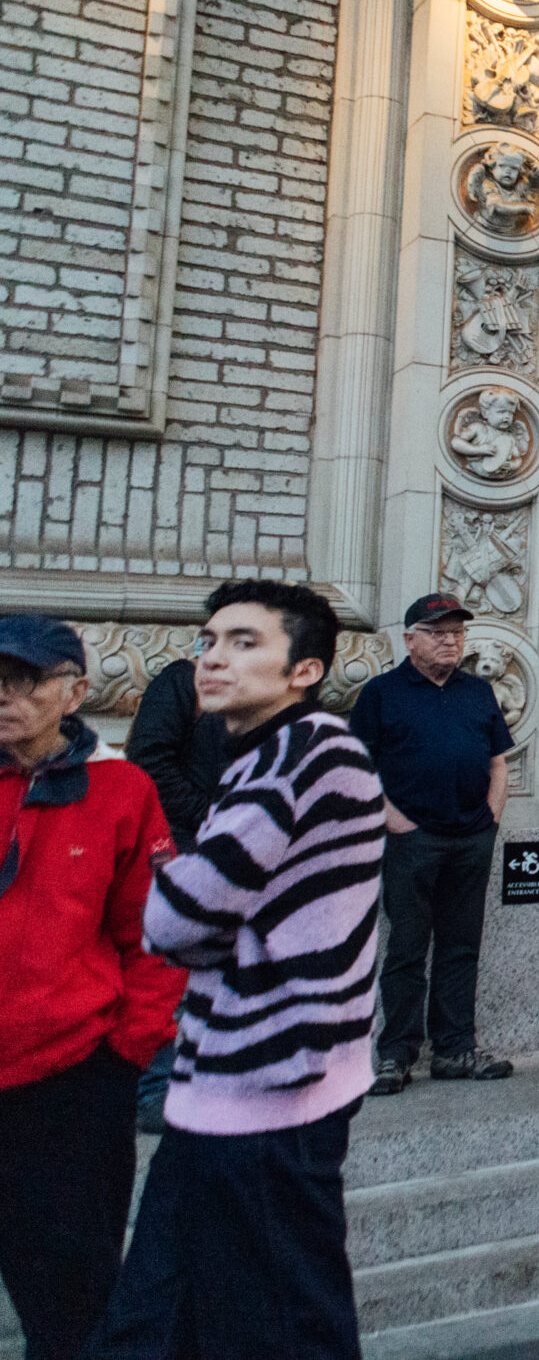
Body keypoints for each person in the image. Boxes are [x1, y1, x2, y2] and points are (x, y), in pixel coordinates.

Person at [91, 580, 387, 1359]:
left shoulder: (309, 750)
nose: (214, 657)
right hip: (220, 1079)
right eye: (210, 640)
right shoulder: (257, 755)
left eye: (245, 641)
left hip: (275, 1085)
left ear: (305, 669)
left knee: (289, 1319)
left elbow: (178, 918)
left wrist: (180, 894)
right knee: (164, 1314)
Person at [0, 618, 182, 1360]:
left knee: (72, 1303)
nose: (5, 696)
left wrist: (123, 1056)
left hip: (71, 1081)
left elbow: (156, 936)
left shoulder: (122, 789)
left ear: (75, 692)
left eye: (25, 680)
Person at [354, 593, 516, 1095]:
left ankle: (454, 1049)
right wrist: (393, 819)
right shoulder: (381, 694)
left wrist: (491, 816)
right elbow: (355, 769)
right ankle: (395, 1055)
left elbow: (498, 762)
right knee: (405, 949)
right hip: (412, 840)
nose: (451, 642)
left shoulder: (477, 692)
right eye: (439, 633)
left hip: (471, 838)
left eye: (457, 633)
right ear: (410, 640)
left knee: (460, 948)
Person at [121, 640, 223, 1136]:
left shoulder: (270, 698)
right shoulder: (183, 682)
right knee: (171, 974)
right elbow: (149, 760)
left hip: (240, 859)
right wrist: (212, 815)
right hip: (183, 848)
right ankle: (156, 1088)